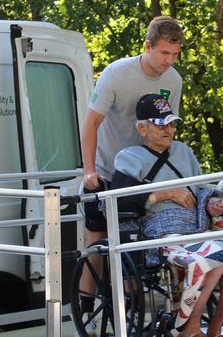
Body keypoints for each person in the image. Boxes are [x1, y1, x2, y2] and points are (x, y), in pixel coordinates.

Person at [111, 94, 223, 337]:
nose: (168, 130)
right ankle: (190, 327)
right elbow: (119, 199)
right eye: (161, 125)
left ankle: (215, 328)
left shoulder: (184, 151)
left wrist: (212, 203)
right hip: (161, 232)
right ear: (142, 128)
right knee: (214, 257)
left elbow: (202, 188)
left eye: (172, 124)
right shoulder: (129, 157)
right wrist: (166, 194)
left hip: (197, 227)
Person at [78, 16, 184, 332]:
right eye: (164, 53)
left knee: (135, 246)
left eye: (175, 54)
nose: (169, 61)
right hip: (108, 168)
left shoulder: (174, 80)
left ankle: (133, 314)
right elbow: (91, 123)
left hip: (143, 172)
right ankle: (84, 312)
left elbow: (167, 128)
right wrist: (89, 171)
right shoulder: (117, 74)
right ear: (147, 46)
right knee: (97, 241)